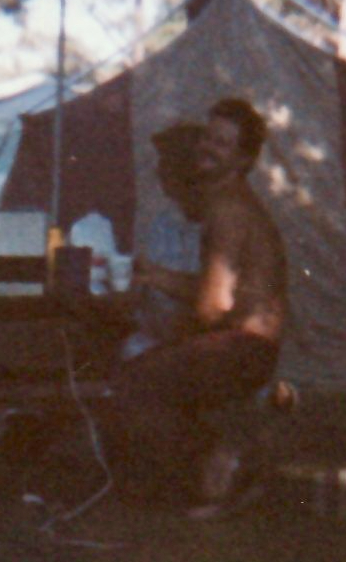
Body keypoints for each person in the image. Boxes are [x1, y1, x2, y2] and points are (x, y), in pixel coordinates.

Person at [108, 97, 288, 511]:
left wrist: (171, 329)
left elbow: (213, 306)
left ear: (243, 159)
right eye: (208, 137)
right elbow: (217, 292)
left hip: (244, 349)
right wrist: (155, 276)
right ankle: (219, 467)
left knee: (134, 381)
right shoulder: (230, 201)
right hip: (247, 345)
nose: (207, 147)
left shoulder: (227, 209)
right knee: (147, 370)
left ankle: (226, 468)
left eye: (222, 143)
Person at [120, 120, 206, 361]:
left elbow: (212, 296)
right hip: (152, 344)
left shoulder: (221, 225)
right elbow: (140, 294)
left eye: (167, 163)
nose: (158, 171)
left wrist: (154, 276)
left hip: (200, 350)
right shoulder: (164, 222)